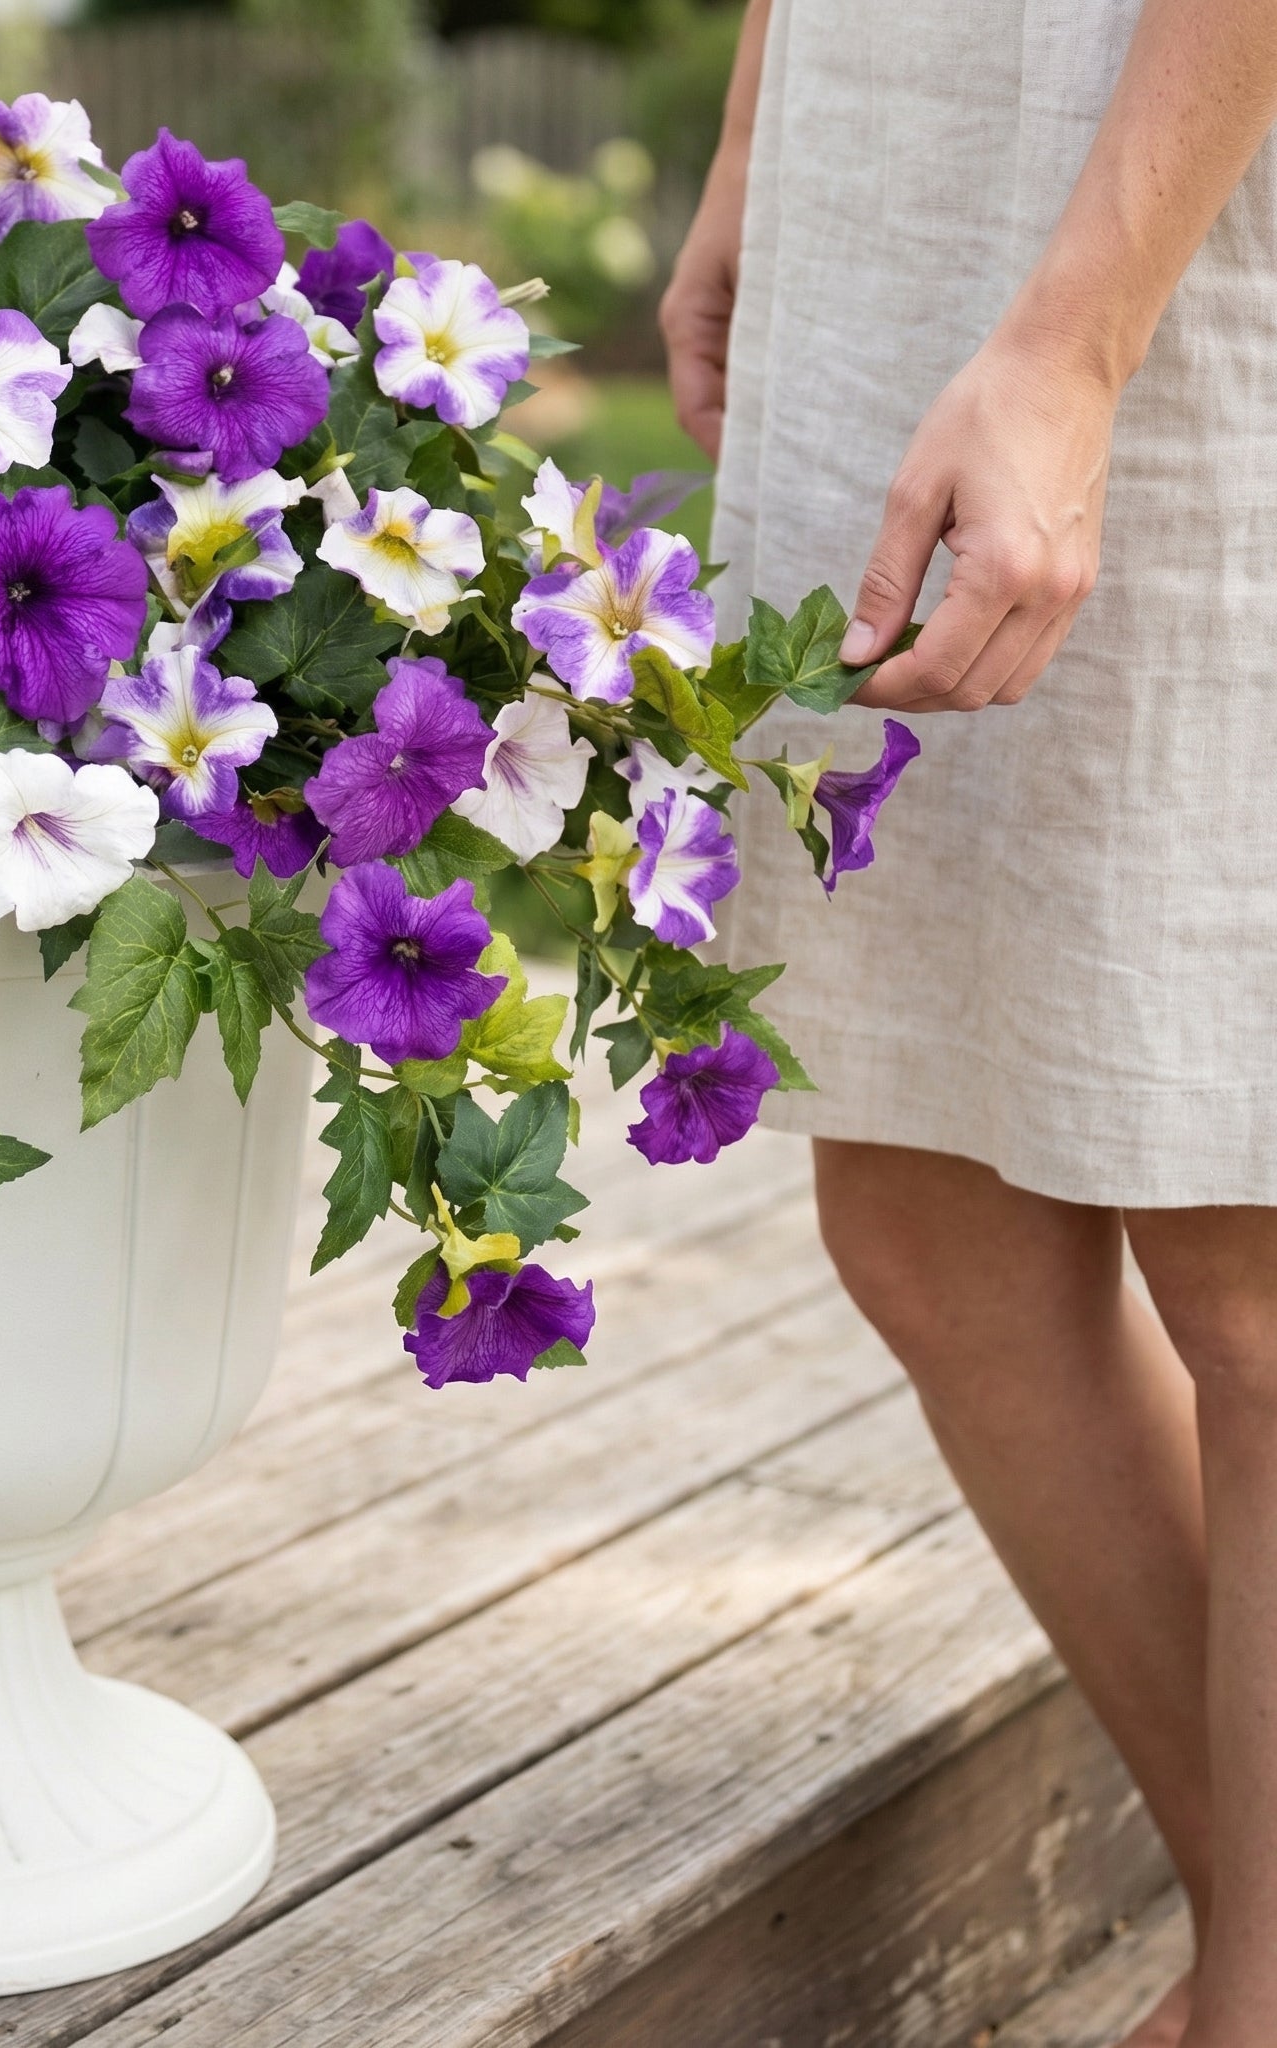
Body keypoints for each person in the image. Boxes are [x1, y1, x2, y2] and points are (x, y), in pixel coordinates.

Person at [660, 4, 1277, 2043]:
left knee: (1251, 1256)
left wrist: (1073, 337)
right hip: (905, 136)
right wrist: (767, 123)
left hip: (1188, 164)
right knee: (928, 1216)